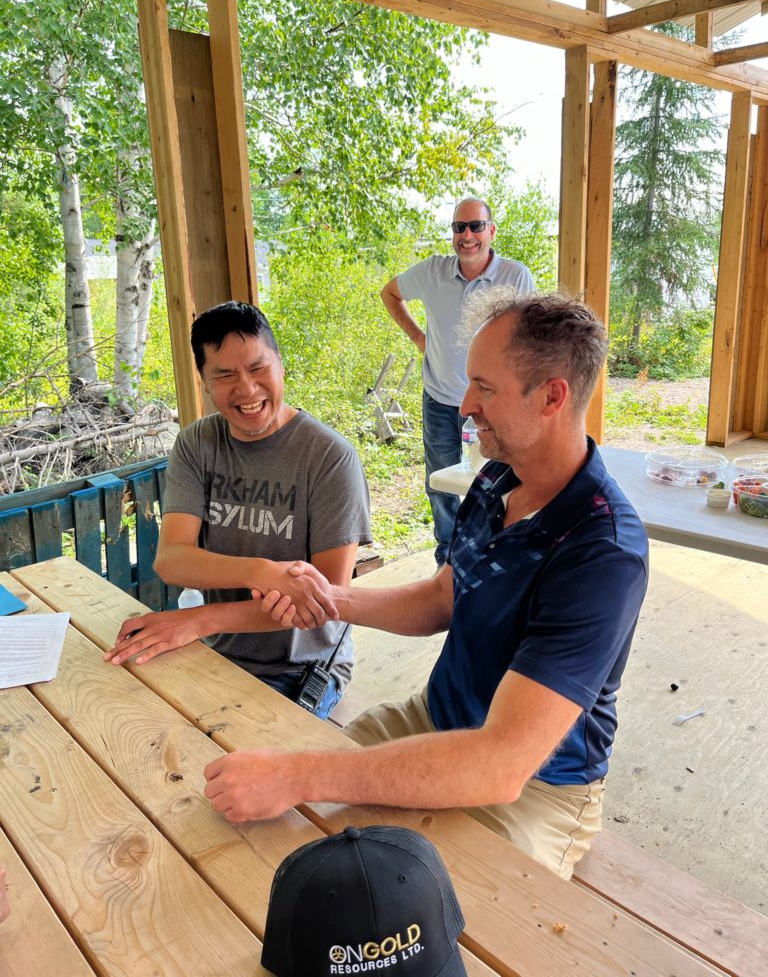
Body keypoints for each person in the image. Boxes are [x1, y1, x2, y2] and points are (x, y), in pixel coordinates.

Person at [201, 291, 649, 879]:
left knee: (426, 908)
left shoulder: (602, 552)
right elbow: (443, 599)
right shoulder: (497, 479)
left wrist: (298, 775)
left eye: (484, 388)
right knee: (276, 846)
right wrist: (328, 598)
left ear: (552, 397)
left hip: (536, 786)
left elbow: (500, 765)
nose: (465, 405)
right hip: (432, 719)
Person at [105, 301, 371, 719]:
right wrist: (261, 572)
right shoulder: (197, 444)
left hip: (299, 667)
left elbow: (328, 600)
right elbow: (172, 559)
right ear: (204, 383)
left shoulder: (329, 457)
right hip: (217, 649)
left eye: (258, 368)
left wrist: (200, 621)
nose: (246, 390)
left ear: (281, 365)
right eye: (225, 375)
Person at [379, 198, 534, 566]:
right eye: (458, 227)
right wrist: (419, 338)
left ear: (491, 231)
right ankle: (447, 561)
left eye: (475, 226)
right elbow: (390, 293)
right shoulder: (432, 272)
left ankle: (493, 555)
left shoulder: (515, 277)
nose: (467, 235)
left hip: (492, 405)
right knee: (440, 485)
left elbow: (530, 336)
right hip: (439, 399)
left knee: (499, 481)